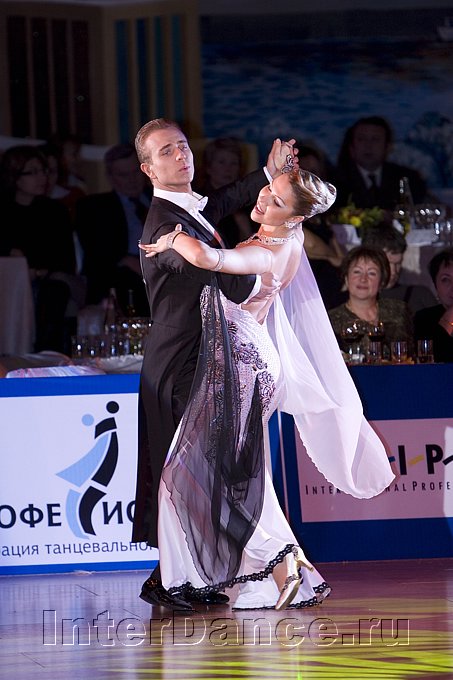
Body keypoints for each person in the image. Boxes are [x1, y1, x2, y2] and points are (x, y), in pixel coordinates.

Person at [139, 167, 394, 611]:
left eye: (276, 201)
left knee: (189, 474)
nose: (263, 200)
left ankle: (277, 560)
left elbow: (209, 258)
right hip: (245, 364)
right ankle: (269, 568)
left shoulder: (267, 250)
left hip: (241, 369)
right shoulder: (287, 238)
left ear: (294, 217)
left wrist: (172, 238)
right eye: (268, 190)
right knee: (219, 475)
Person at [131, 118, 299, 611]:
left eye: (182, 146)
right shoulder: (162, 224)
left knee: (197, 471)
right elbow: (216, 276)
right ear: (148, 168)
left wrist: (265, 174)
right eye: (166, 151)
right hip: (179, 363)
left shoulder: (185, 209)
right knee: (190, 470)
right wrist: (258, 269)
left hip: (205, 358)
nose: (180, 155)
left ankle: (183, 577)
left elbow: (221, 202)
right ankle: (189, 575)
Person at [0, 144, 79, 353]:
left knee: (54, 292)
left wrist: (37, 271)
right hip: (10, 282)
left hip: (48, 278)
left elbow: (65, 260)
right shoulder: (4, 211)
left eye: (43, 171)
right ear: (14, 177)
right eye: (32, 172)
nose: (42, 177)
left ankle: (44, 354)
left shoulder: (54, 211)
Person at [75, 142, 152, 315]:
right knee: (127, 280)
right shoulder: (94, 207)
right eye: (123, 175)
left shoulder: (160, 199)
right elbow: (95, 251)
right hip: (121, 273)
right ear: (110, 177)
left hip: (162, 265)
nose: (132, 180)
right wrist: (128, 260)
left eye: (135, 172)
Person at [328, 245, 413, 360]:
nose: (363, 279)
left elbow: (413, 355)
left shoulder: (399, 310)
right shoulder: (331, 320)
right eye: (357, 272)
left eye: (371, 273)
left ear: (382, 281)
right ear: (346, 279)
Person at [333, 116, 427, 211]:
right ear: (351, 147)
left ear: (388, 147)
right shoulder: (335, 181)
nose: (368, 146)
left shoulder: (409, 179)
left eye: (375, 139)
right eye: (361, 139)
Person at [297, 142, 345, 309]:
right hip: (306, 285)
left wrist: (342, 264)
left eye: (315, 172)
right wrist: (333, 258)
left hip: (327, 283)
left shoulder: (321, 213)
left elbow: (335, 247)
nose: (310, 178)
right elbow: (308, 243)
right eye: (305, 172)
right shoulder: (289, 208)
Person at [361, 223, 437, 314]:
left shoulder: (419, 295)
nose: (393, 271)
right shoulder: (355, 298)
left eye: (398, 264)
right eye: (387, 263)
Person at [194, 137, 257, 246]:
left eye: (233, 163)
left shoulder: (251, 202)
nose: (228, 169)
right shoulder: (198, 201)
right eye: (221, 162)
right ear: (208, 167)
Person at [414, 248, 453, 362]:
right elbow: (430, 360)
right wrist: (449, 318)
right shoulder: (424, 319)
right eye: (445, 280)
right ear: (435, 285)